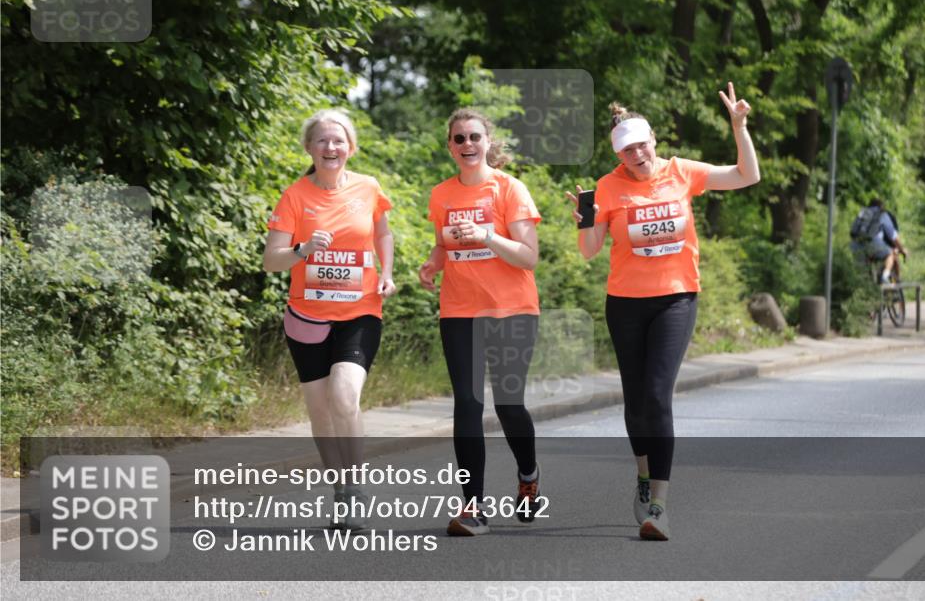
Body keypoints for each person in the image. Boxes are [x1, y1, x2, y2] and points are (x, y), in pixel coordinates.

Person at [565, 83, 760, 541]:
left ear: (654, 141)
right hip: (625, 303)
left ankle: (660, 504)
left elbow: (745, 175)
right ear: (619, 154)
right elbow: (590, 252)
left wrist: (739, 128)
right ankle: (642, 474)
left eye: (642, 144)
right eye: (628, 148)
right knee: (635, 401)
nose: (638, 153)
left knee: (656, 395)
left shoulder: (681, 172)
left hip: (676, 298)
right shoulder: (605, 189)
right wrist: (586, 221)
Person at [263, 109, 395, 528]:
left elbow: (383, 233)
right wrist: (302, 250)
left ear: (350, 147)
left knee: (344, 395)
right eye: (322, 140)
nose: (330, 147)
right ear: (309, 148)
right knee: (319, 412)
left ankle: (356, 488)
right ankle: (339, 488)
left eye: (338, 140)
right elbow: (271, 260)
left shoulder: (368, 188)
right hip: (307, 315)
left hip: (359, 311)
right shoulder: (295, 196)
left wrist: (387, 274)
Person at [419, 108, 541, 536]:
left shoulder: (510, 190)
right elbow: (444, 244)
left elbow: (528, 256)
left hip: (512, 311)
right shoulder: (441, 195)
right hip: (459, 310)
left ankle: (528, 475)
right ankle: (473, 507)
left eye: (474, 137)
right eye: (459, 139)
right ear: (450, 147)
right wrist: (432, 264)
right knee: (467, 405)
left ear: (488, 142)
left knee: (509, 406)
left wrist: (487, 235)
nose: (467, 145)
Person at [850, 198, 908, 283]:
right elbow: (893, 237)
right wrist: (902, 250)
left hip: (855, 245)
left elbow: (854, 230)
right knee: (890, 254)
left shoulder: (862, 213)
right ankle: (884, 276)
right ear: (881, 206)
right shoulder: (882, 214)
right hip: (872, 244)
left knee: (864, 276)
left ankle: (866, 291)